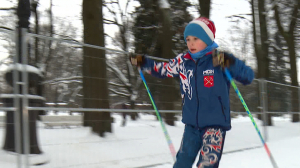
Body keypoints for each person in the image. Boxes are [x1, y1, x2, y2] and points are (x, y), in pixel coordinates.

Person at [130, 17, 254, 168]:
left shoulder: (218, 59)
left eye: (196, 38)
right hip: (191, 125)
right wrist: (144, 62)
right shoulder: (182, 62)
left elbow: (248, 76)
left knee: (207, 164)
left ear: (207, 39)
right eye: (188, 39)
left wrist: (230, 63)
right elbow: (162, 69)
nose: (191, 43)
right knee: (182, 162)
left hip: (214, 126)